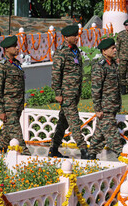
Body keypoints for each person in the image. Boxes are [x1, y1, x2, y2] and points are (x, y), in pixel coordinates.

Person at [49, 25, 88, 159]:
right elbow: (56, 73)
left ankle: (53, 148)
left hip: (74, 92)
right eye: (74, 36)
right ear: (66, 38)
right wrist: (58, 92)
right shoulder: (61, 52)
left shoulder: (75, 50)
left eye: (77, 35)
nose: (77, 37)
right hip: (66, 94)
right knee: (74, 121)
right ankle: (84, 150)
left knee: (63, 122)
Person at [86, 38, 124, 160]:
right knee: (112, 134)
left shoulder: (113, 64)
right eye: (112, 48)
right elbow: (96, 89)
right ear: (104, 51)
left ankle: (91, 154)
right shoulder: (99, 67)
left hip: (112, 105)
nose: (115, 50)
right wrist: (98, 108)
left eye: (115, 47)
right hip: (105, 107)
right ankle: (125, 159)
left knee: (100, 132)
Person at [0, 35, 31, 155]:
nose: (17, 48)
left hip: (17, 105)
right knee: (17, 136)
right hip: (9, 107)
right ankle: (28, 159)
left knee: (6, 135)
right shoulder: (2, 66)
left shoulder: (16, 64)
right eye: (14, 46)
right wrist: (1, 110)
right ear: (6, 49)